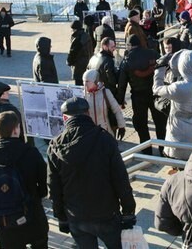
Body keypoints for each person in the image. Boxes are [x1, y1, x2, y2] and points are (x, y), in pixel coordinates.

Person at [47, 97, 136, 248]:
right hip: (106, 214)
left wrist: (61, 217)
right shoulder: (105, 139)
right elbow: (120, 178)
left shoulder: (55, 146)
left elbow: (53, 187)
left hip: (76, 217)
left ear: (64, 118)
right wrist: (128, 211)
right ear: (88, 114)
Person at [0, 111, 48, 248]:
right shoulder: (31, 153)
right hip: (32, 215)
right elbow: (43, 187)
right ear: (15, 129)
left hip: (5, 222)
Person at [117, 35, 166, 154]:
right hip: (155, 94)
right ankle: (163, 148)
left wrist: (120, 100)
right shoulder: (153, 54)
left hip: (138, 96)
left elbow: (122, 83)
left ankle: (146, 150)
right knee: (160, 122)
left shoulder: (127, 59)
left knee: (141, 124)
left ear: (129, 45)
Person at [153, 49, 192, 161]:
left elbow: (156, 89)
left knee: (178, 159)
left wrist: (159, 69)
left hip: (177, 132)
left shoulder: (178, 88)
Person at [82, 69, 125, 138]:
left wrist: (121, 126)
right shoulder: (82, 95)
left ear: (95, 81)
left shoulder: (105, 92)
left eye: (87, 81)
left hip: (106, 133)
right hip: (90, 134)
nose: (85, 84)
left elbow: (117, 110)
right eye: (83, 81)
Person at [67, 20, 93, 86]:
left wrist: (69, 61)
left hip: (79, 66)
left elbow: (73, 52)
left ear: (75, 29)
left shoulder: (78, 38)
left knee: (79, 85)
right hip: (87, 63)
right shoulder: (86, 35)